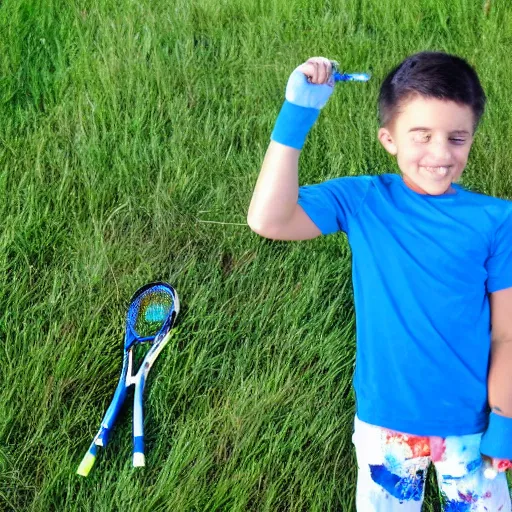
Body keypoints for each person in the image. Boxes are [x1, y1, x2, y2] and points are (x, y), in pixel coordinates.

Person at [247, 51, 512, 511]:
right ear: (388, 138)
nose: (441, 154)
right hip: (386, 425)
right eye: (421, 136)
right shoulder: (362, 199)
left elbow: (506, 333)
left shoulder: (497, 218)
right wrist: (297, 115)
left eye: (457, 137)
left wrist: (505, 421)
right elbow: (269, 219)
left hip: (472, 423)